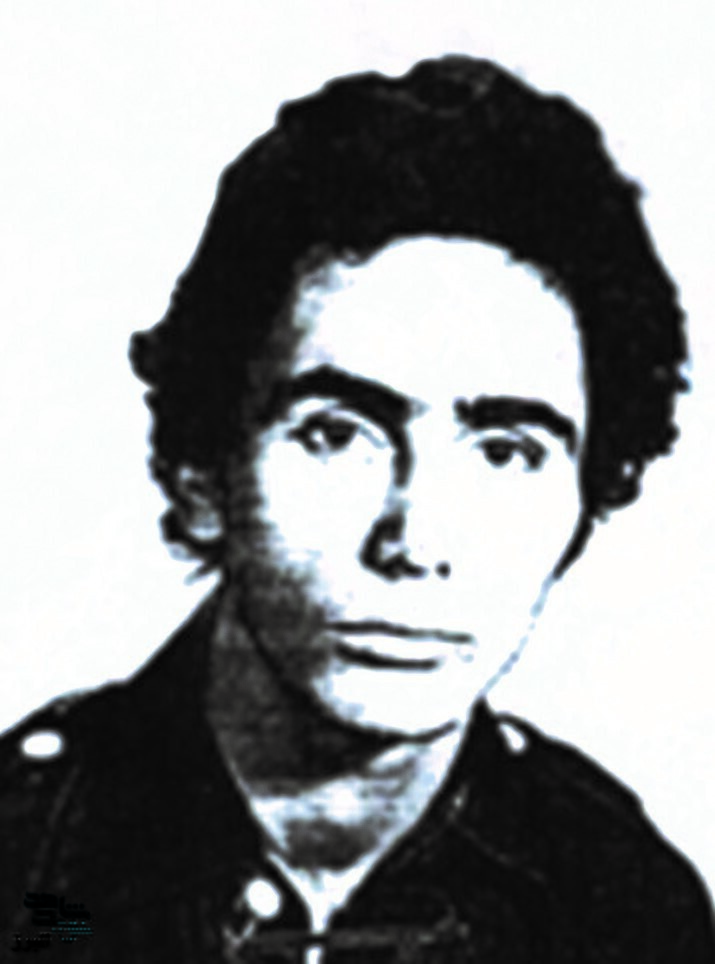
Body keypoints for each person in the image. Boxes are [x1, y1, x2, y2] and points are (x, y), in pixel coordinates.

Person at [2, 55, 713, 963]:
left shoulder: (613, 906)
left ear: (587, 497)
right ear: (201, 471)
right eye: (336, 435)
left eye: (505, 452)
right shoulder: (34, 876)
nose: (415, 540)